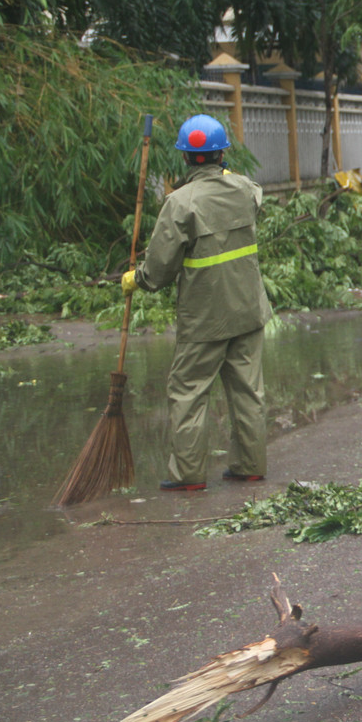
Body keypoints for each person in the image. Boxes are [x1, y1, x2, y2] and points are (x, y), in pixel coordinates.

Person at [122, 115, 273, 492]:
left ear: (186, 159)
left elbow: (158, 270)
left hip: (205, 318)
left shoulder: (179, 203)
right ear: (221, 154)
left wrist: (136, 279)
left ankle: (188, 475)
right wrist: (228, 172)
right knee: (247, 390)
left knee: (188, 392)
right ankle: (250, 465)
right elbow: (255, 194)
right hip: (248, 310)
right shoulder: (244, 188)